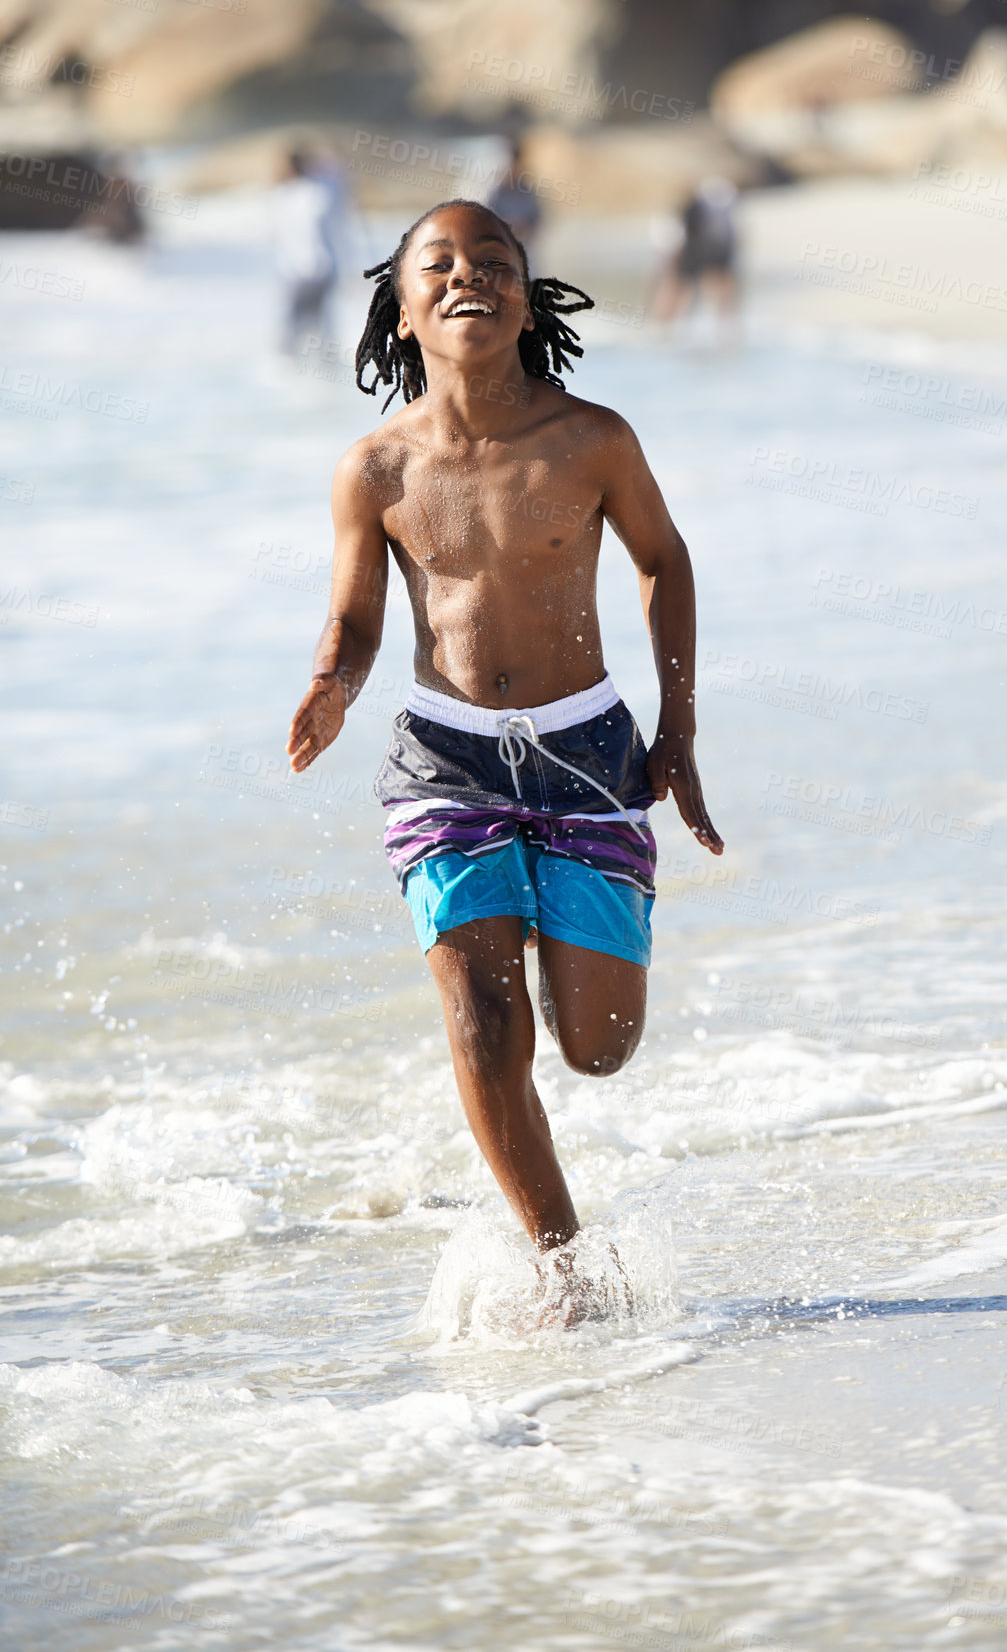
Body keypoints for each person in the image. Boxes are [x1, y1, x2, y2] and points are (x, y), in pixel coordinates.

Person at [285, 198, 722, 1290]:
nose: (466, 275)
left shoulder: (592, 440)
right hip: (447, 760)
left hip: (588, 755)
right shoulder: (375, 469)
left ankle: (534, 934)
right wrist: (332, 684)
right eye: (439, 265)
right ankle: (566, 1268)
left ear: (528, 301)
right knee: (481, 1014)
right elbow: (359, 617)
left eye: (494, 261)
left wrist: (678, 728)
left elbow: (664, 563)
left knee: (599, 1046)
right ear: (400, 312)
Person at [270, 149, 340, 356]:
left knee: (297, 326)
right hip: (316, 269)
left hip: (305, 269)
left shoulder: (289, 195)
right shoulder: (316, 192)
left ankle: (296, 368)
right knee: (317, 325)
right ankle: (323, 368)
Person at [652, 175, 739, 327]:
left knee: (680, 289)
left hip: (698, 251)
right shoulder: (715, 207)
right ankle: (725, 327)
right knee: (712, 291)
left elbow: (677, 237)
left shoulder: (693, 208)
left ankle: (666, 324)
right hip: (713, 250)